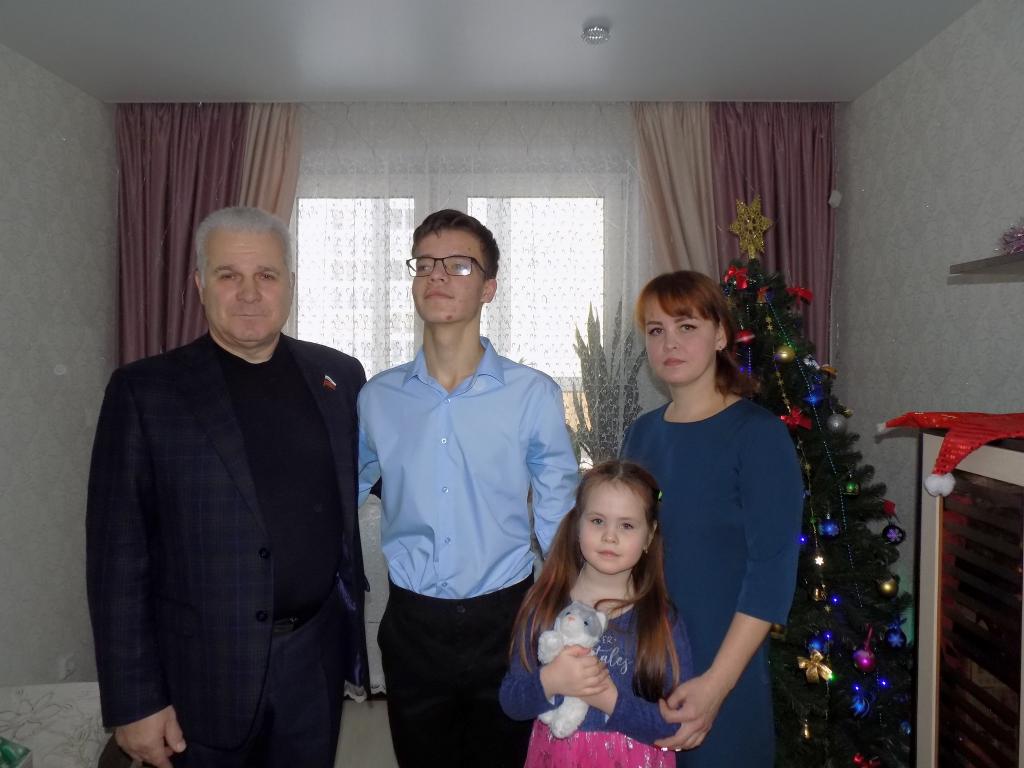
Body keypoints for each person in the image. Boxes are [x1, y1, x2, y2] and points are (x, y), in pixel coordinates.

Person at [86, 206, 367, 768]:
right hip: (199, 674)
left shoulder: (338, 376)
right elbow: (116, 559)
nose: (249, 293)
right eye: (228, 275)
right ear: (199, 284)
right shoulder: (144, 392)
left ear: (289, 283)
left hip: (313, 659)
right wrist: (134, 701)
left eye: (266, 275)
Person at [357, 209, 579, 767]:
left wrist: (575, 615)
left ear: (488, 288)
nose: (437, 275)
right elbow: (338, 497)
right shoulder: (377, 398)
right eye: (425, 263)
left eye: (458, 265)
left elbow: (559, 516)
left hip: (507, 623)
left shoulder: (533, 395)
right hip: (412, 626)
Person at [620, 270, 803, 766]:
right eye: (656, 330)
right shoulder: (641, 434)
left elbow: (771, 573)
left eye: (687, 326)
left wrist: (717, 686)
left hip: (723, 669)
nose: (670, 343)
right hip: (644, 665)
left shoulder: (758, 435)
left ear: (720, 335)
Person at [500, 460, 694, 768]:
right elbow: (512, 700)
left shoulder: (661, 620)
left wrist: (609, 701)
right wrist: (550, 680)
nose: (610, 536)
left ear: (649, 536)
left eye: (627, 525)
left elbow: (676, 722)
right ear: (577, 524)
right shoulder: (544, 605)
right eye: (598, 521)